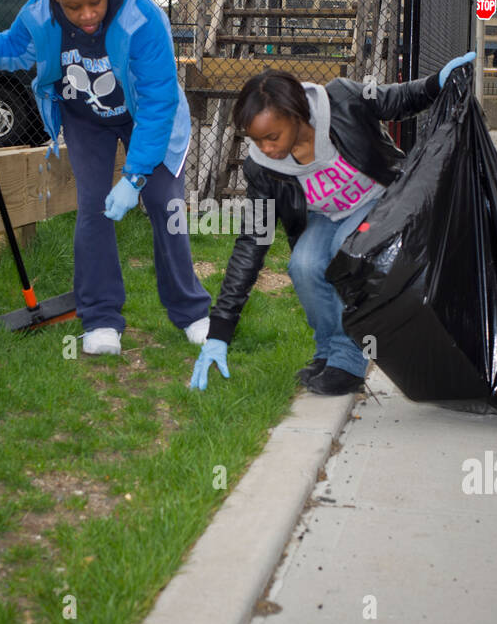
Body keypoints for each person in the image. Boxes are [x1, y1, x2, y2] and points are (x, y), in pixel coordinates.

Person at [0, 0, 211, 355]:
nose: (86, 15)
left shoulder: (142, 20)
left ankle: (192, 312)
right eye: (73, 7)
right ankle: (101, 319)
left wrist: (134, 177)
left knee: (163, 201)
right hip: (86, 117)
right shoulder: (40, 13)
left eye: (95, 3)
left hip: (147, 118)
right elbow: (16, 47)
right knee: (94, 207)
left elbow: (158, 102)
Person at [189, 53, 475, 396]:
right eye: (256, 139)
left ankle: (347, 362)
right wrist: (220, 330)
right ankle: (326, 352)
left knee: (344, 249)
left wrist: (436, 82)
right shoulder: (261, 167)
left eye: (272, 136)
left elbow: (395, 99)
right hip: (327, 213)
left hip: (380, 200)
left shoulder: (342, 100)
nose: (266, 147)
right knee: (304, 265)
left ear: (297, 115)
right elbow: (252, 240)